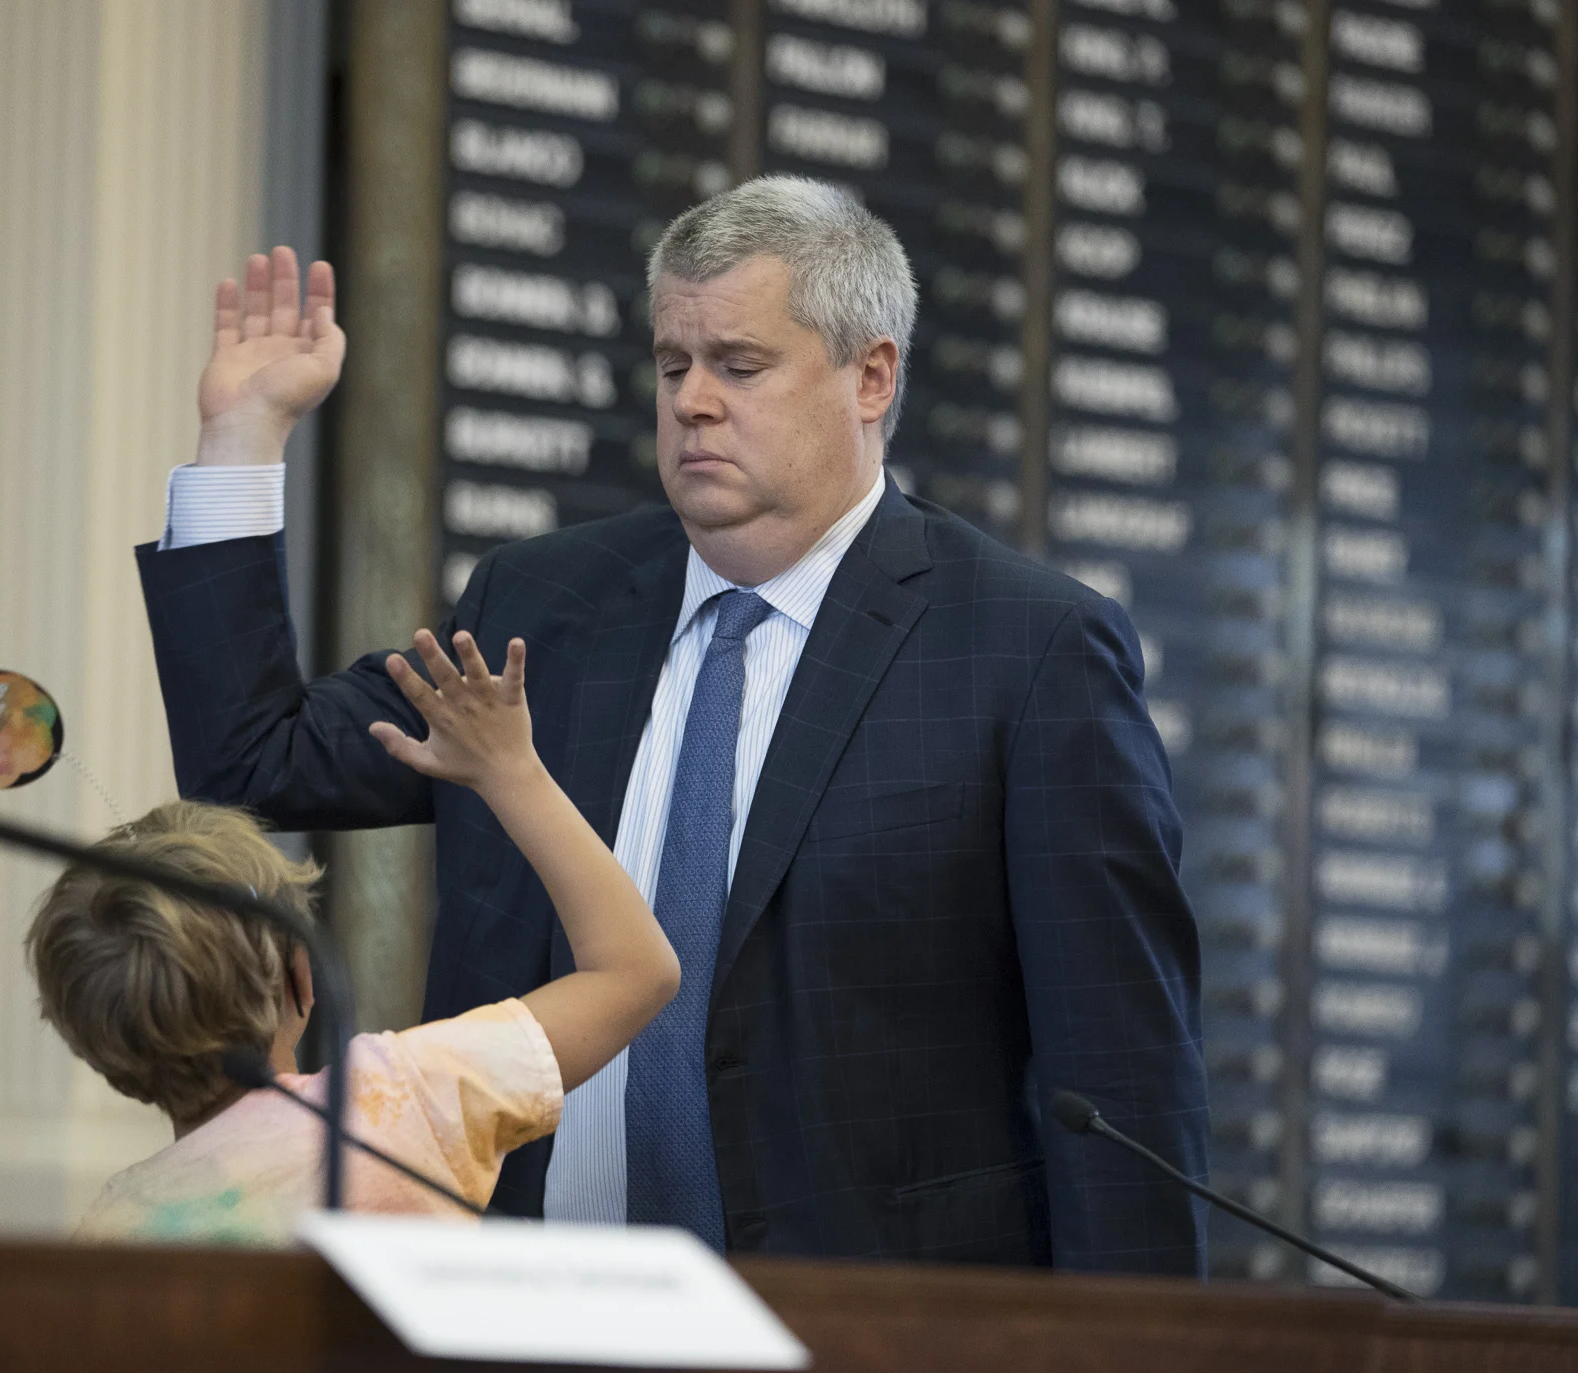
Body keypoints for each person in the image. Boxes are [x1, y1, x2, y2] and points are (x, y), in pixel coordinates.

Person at [135, 174, 1209, 1272]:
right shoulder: (541, 608)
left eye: (738, 367)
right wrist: (242, 436)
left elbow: (1120, 1068)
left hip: (868, 1324)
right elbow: (252, 765)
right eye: (671, 365)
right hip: (524, 1315)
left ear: (870, 375)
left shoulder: (1027, 649)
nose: (692, 399)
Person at [28, 629, 679, 1244]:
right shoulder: (394, 1103)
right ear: (301, 977)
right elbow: (636, 971)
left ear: (91, 1043)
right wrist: (510, 770)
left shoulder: (111, 1229)